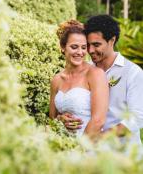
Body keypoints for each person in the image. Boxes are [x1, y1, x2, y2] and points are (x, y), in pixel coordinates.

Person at [59, 15, 143, 144]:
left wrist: (99, 138)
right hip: (91, 151)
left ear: (112, 41)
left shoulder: (133, 72)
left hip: (123, 154)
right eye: (88, 45)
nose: (91, 50)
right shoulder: (85, 70)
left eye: (96, 45)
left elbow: (137, 117)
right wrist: (62, 118)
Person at [49, 20, 109, 139]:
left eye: (83, 47)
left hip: (87, 146)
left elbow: (98, 120)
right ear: (62, 47)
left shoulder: (95, 74)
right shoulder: (56, 80)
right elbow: (52, 118)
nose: (80, 52)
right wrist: (60, 120)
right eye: (74, 47)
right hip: (60, 145)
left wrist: (79, 149)